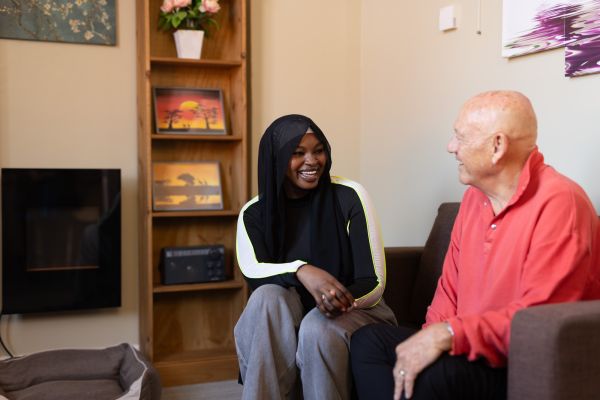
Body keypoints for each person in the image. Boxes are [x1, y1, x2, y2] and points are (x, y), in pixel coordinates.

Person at [350, 90, 600, 400]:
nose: (450, 147)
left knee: (434, 374)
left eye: (460, 138)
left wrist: (449, 335)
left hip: (514, 361)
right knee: (367, 341)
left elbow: (537, 324)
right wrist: (430, 337)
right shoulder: (474, 199)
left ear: (497, 146)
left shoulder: (562, 204)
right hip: (464, 346)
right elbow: (449, 289)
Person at [234, 114, 397, 400]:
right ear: (276, 159)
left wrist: (335, 299)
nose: (312, 161)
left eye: (318, 150)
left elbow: (374, 282)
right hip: (288, 311)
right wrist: (301, 270)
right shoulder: (254, 213)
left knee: (317, 326)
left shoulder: (350, 196)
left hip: (357, 309)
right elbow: (252, 269)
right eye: (298, 153)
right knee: (266, 298)